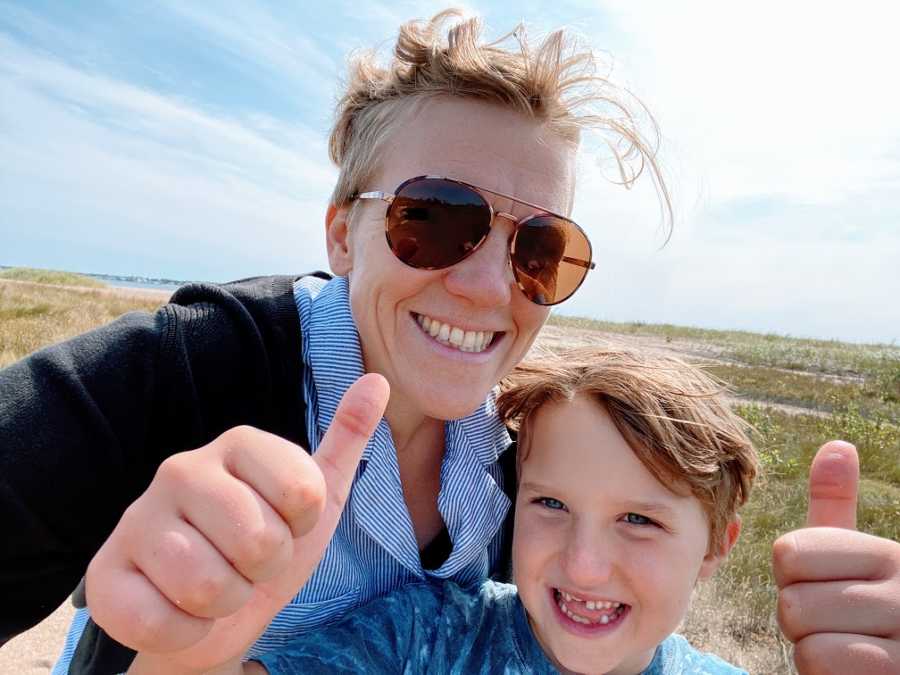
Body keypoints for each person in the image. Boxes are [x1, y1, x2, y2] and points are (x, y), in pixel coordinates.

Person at [0, 9, 897, 675]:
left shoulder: (525, 471)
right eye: (431, 219)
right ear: (342, 235)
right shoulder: (195, 371)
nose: (487, 284)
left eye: (539, 248)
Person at [130, 346, 759, 674]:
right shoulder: (426, 637)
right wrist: (192, 655)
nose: (585, 565)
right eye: (551, 504)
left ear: (716, 544)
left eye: (639, 520)